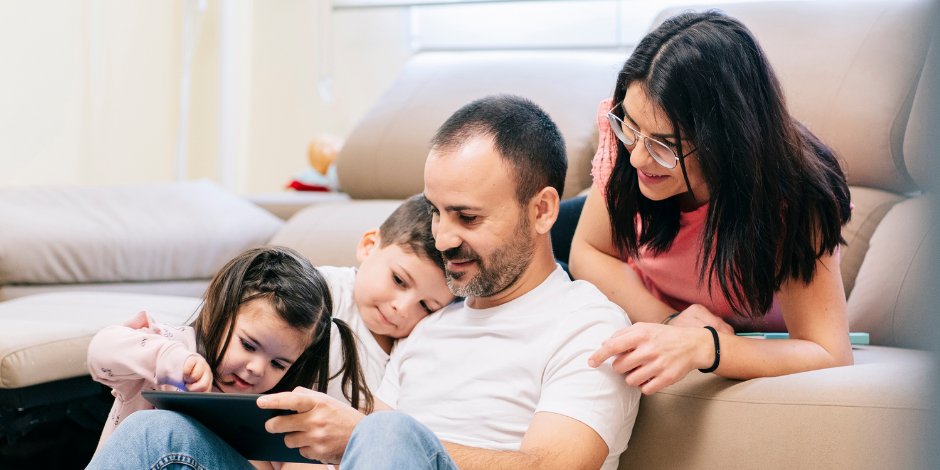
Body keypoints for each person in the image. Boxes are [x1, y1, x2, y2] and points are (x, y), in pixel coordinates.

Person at [84, 95, 640, 470]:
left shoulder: (590, 326)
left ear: (543, 211)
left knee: (389, 434)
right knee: (155, 438)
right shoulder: (428, 325)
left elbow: (554, 465)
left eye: (467, 218)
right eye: (437, 212)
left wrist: (364, 434)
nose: (444, 239)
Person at [568, 11, 854, 396]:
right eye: (630, 128)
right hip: (618, 258)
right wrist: (671, 322)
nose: (636, 159)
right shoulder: (631, 139)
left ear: (727, 144)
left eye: (664, 145)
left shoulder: (797, 199)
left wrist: (706, 346)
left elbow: (829, 352)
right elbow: (587, 252)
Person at [86, 246, 373, 469]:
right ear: (219, 313)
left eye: (278, 364)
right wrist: (171, 361)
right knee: (150, 429)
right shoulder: (173, 349)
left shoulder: (278, 406)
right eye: (248, 345)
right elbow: (101, 353)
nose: (257, 369)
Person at [320, 193, 457, 405]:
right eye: (399, 280)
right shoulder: (321, 291)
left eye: (425, 306)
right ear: (368, 246)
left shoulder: (413, 349)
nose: (401, 308)